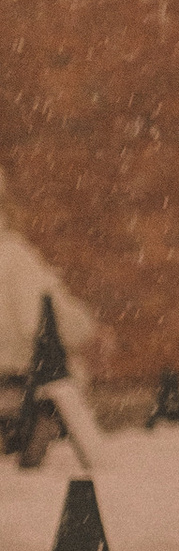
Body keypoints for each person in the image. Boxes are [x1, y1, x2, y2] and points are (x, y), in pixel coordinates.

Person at [0, 169, 104, 424]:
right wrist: (90, 332)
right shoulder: (12, 255)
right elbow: (41, 319)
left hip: (11, 380)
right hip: (15, 381)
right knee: (66, 377)